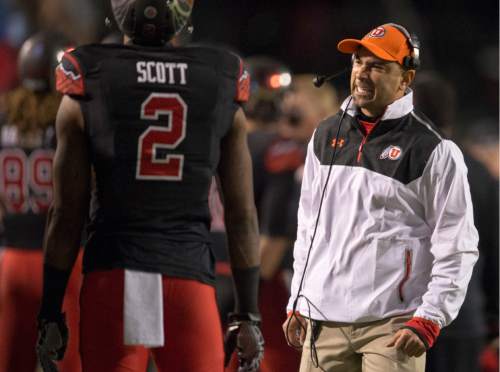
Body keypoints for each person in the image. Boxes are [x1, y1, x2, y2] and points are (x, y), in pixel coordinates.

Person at [36, 1, 264, 372]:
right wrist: (248, 312)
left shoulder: (90, 72)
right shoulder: (219, 75)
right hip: (188, 275)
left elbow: (65, 214)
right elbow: (242, 213)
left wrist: (49, 309)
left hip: (116, 275)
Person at [282, 23, 479, 372]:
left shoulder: (432, 149)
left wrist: (430, 316)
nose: (362, 73)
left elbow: (457, 243)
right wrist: (298, 298)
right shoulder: (325, 134)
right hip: (323, 317)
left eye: (377, 66)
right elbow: (310, 228)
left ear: (405, 79)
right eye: (359, 62)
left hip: (393, 324)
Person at [0, 32, 83, 372]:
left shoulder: (5, 113)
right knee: (70, 362)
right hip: (62, 261)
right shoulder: (71, 115)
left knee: (11, 362)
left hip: (11, 258)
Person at [412, 71, 498, 372]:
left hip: (403, 320)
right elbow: (493, 248)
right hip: (463, 318)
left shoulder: (394, 166)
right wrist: (494, 317)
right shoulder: (479, 172)